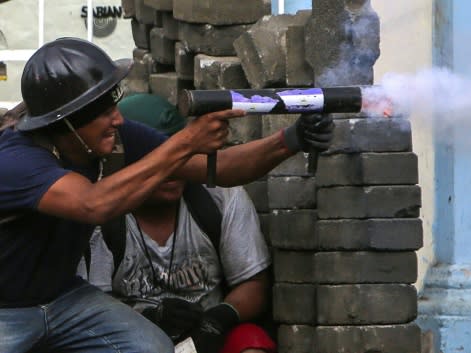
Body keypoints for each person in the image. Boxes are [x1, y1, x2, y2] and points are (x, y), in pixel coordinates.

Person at [0, 37, 333, 353]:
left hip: (62, 297)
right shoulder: (16, 160)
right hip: (5, 309)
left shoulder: (113, 138)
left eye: (112, 104)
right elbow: (93, 203)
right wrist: (187, 140)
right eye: (102, 111)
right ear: (67, 121)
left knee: (152, 347)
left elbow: (220, 168)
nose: (117, 119)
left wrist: (290, 139)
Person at [78, 93, 276, 353]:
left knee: (251, 343)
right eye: (159, 162)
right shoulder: (101, 215)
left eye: (181, 159)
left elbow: (253, 285)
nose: (173, 172)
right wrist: (151, 317)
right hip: (129, 337)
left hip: (208, 337)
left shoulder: (218, 197)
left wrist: (218, 319)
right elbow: (91, 309)